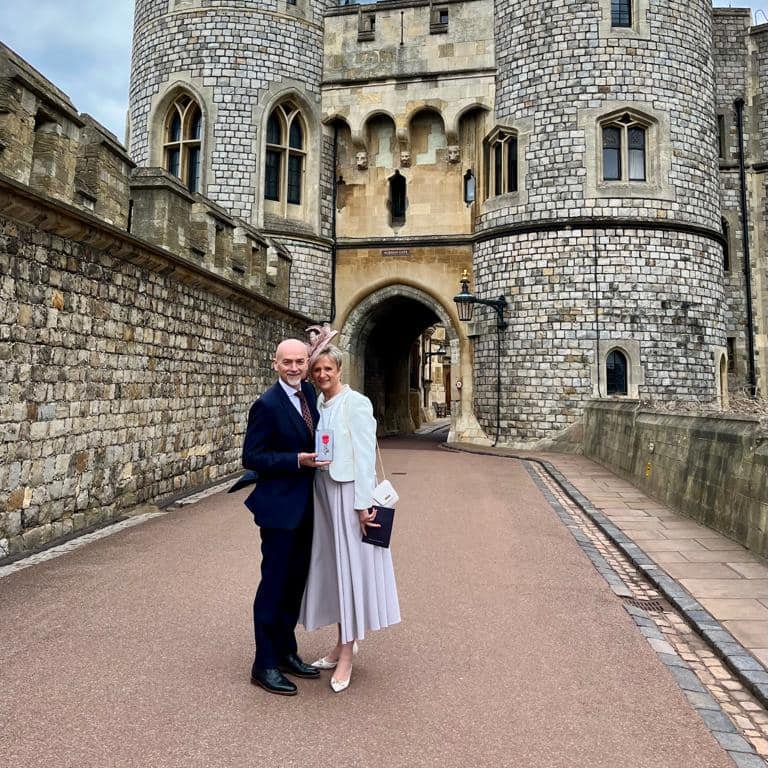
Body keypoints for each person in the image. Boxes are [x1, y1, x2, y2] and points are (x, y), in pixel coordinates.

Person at [299, 344, 400, 693]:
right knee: (335, 571)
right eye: (317, 370)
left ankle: (346, 654)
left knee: (350, 572)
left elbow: (364, 456)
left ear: (340, 370)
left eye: (328, 369)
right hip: (324, 494)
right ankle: (342, 642)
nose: (322, 375)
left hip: (347, 495)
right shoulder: (318, 404)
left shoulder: (356, 403)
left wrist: (362, 504)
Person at [242, 338, 329, 696]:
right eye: (287, 362)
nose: (294, 368)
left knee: (295, 584)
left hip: (307, 507)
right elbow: (252, 457)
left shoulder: (308, 392)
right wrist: (296, 460)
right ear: (275, 364)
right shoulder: (266, 404)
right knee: (274, 585)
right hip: (279, 510)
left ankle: (285, 651)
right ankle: (263, 664)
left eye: (300, 362)